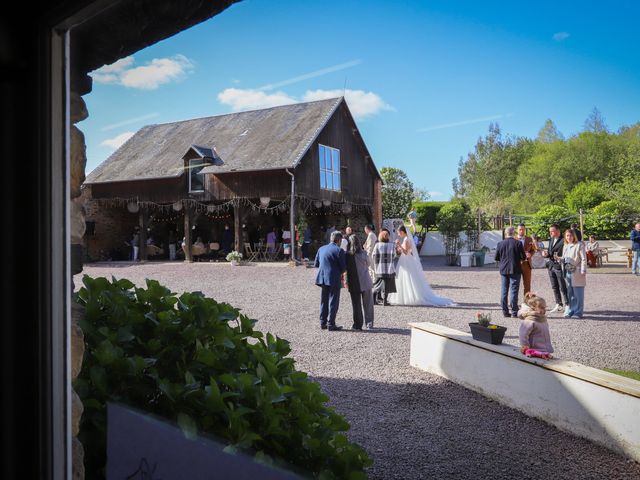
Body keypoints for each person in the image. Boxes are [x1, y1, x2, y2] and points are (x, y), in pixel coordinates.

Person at [387, 226, 455, 306]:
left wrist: (399, 245)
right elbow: (405, 251)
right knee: (406, 277)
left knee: (407, 277)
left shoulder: (406, 240)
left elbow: (405, 252)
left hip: (406, 260)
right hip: (406, 260)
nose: (398, 234)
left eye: (399, 232)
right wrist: (399, 247)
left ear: (402, 232)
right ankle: (408, 296)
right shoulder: (406, 239)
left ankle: (409, 297)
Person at [314, 231, 347, 331]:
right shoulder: (339, 250)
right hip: (333, 278)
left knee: (324, 301)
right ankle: (331, 323)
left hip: (323, 278)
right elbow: (344, 268)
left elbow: (316, 264)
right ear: (339, 240)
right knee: (333, 301)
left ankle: (322, 322)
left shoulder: (321, 248)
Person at [494, 226, 526, 317]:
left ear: (506, 233)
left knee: (504, 290)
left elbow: (496, 257)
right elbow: (523, 257)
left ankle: (505, 311)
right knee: (514, 290)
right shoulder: (518, 243)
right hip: (515, 268)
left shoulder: (500, 244)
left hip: (504, 269)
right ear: (514, 233)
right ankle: (514, 311)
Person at [345, 234, 374, 330]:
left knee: (356, 305)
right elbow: (369, 263)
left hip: (354, 282)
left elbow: (345, 269)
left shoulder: (347, 255)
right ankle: (369, 323)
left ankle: (357, 325)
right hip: (365, 281)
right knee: (368, 305)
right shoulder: (364, 253)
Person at [542, 224, 569, 313]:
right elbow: (551, 253)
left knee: (563, 286)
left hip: (559, 266)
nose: (550, 233)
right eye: (550, 231)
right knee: (554, 287)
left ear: (558, 231)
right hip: (551, 266)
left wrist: (560, 258)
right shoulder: (551, 239)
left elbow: (566, 253)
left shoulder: (564, 240)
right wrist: (546, 254)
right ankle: (558, 304)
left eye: (552, 231)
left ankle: (568, 304)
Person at [561, 229, 587, 318]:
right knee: (570, 293)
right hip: (568, 270)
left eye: (570, 235)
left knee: (578, 293)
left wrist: (583, 270)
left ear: (574, 236)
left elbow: (583, 258)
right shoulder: (566, 245)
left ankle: (578, 312)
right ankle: (571, 311)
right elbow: (565, 258)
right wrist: (559, 258)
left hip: (577, 271)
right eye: (567, 236)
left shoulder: (579, 245)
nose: (569, 237)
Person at [518, 294, 554, 359]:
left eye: (545, 307)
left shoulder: (542, 319)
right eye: (542, 308)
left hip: (544, 349)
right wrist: (525, 346)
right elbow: (523, 334)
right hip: (534, 350)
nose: (545, 310)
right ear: (533, 308)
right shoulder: (530, 320)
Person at [372, 229, 397, 306]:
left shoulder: (377, 245)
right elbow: (394, 255)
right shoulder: (392, 245)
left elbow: (374, 256)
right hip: (389, 268)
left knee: (377, 284)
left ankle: (374, 300)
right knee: (387, 284)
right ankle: (385, 301)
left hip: (379, 268)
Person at [516, 224, 537, 296]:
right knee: (515, 285)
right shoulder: (514, 239)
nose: (522, 231)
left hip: (527, 265)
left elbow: (533, 249)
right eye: (520, 229)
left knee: (527, 285)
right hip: (516, 265)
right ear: (517, 230)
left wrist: (531, 254)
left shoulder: (529, 239)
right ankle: (514, 303)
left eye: (523, 229)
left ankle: (526, 302)